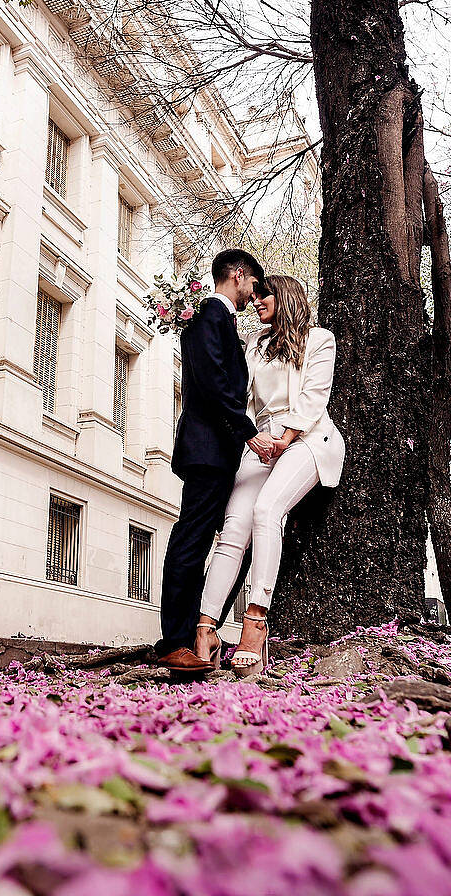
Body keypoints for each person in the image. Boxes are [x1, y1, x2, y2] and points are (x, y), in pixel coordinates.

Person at [192, 275, 345, 677]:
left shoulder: (319, 339)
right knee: (233, 529)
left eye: (264, 295)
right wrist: (253, 438)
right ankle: (205, 630)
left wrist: (286, 437)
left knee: (266, 511)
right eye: (254, 295)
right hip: (262, 440)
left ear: (286, 296)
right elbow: (241, 399)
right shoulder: (257, 346)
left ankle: (255, 622)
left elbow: (315, 397)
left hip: (308, 438)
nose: (256, 301)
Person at [154, 249, 271, 674]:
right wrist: (249, 434)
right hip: (207, 448)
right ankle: (175, 641)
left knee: (228, 541)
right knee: (192, 538)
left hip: (219, 453)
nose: (253, 297)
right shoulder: (208, 314)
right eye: (253, 285)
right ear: (239, 276)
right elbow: (212, 384)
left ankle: (204, 630)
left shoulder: (217, 319)